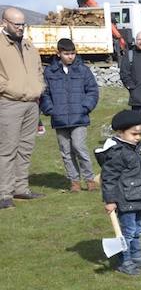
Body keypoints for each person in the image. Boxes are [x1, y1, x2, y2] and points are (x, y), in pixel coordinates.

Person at [94, 110, 141, 276]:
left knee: (137, 230)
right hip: (125, 199)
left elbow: (139, 173)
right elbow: (108, 179)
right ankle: (124, 261)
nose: (138, 137)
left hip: (137, 197)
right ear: (120, 132)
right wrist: (110, 200)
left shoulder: (133, 148)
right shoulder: (117, 152)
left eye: (140, 134)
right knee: (126, 233)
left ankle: (137, 257)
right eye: (134, 134)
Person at [39, 38, 99, 192]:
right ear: (58, 53)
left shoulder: (83, 70)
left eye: (73, 53)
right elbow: (45, 93)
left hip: (79, 118)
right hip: (59, 119)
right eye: (66, 54)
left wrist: (85, 107)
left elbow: (92, 90)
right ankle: (74, 181)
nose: (70, 56)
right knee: (66, 151)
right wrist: (50, 109)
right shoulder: (49, 72)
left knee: (79, 147)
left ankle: (90, 179)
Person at [0, 7, 46, 209]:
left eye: (23, 24)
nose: (21, 28)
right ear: (4, 23)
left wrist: (39, 87)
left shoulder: (29, 46)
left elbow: (38, 70)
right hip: (9, 103)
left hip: (31, 104)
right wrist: (8, 89)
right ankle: (4, 193)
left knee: (26, 148)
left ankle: (21, 188)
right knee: (7, 149)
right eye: (16, 24)